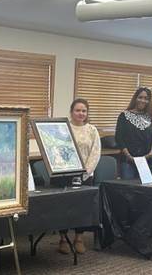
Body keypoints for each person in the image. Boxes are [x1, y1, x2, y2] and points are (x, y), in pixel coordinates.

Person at [58, 98, 101, 254]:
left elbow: (95, 152)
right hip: (62, 173)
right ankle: (62, 239)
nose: (81, 113)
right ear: (71, 112)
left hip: (84, 175)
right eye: (77, 110)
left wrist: (85, 172)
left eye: (84, 110)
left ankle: (79, 238)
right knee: (63, 207)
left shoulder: (92, 130)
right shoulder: (62, 129)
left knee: (81, 207)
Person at [114, 87, 152, 180]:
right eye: (140, 97)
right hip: (128, 161)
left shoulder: (150, 117)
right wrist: (129, 156)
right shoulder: (124, 116)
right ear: (135, 98)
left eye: (146, 98)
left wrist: (149, 154)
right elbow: (119, 138)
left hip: (147, 161)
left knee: (146, 190)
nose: (143, 100)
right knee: (129, 190)